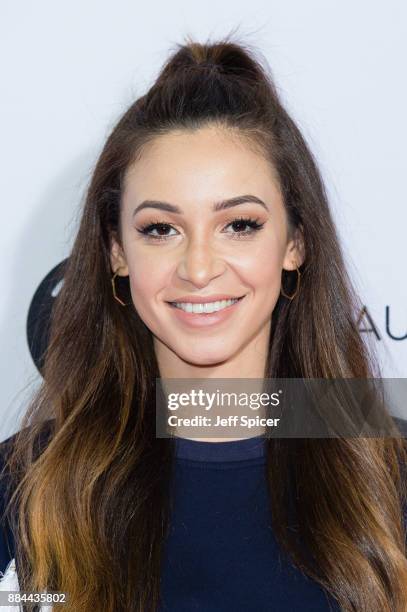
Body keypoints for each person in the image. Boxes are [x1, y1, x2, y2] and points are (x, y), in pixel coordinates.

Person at [1, 34, 407, 612]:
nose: (198, 268)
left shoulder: (387, 475)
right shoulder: (24, 488)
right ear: (117, 252)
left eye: (239, 224)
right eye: (160, 229)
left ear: (295, 242)